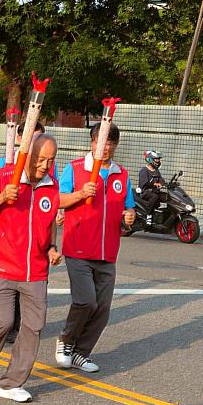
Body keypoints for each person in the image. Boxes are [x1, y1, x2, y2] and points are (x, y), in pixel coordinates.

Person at [0, 134, 62, 403]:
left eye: (51, 160)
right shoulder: (2, 176)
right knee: (3, 322)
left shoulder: (51, 186)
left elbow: (49, 222)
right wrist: (1, 197)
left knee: (33, 326)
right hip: (1, 267)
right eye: (41, 159)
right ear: (27, 156)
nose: (46, 165)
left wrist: (52, 248)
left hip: (35, 270)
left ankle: (11, 384)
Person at [55, 123, 135, 372]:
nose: (106, 147)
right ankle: (65, 341)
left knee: (102, 308)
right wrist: (80, 194)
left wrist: (129, 215)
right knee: (85, 301)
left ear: (115, 145)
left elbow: (128, 206)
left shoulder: (121, 174)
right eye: (101, 142)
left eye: (111, 143)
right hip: (78, 248)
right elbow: (58, 199)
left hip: (107, 251)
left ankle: (81, 353)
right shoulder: (76, 168)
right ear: (92, 142)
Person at [0, 121, 52, 344]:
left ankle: (23, 325)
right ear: (20, 139)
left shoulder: (48, 169)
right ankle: (8, 324)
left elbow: (51, 197)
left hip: (36, 236)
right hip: (10, 237)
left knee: (32, 282)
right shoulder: (5, 166)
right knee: (13, 285)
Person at [138, 149, 165, 225]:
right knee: (155, 196)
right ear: (149, 159)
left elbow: (160, 179)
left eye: (158, 159)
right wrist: (155, 184)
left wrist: (164, 184)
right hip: (145, 192)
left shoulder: (156, 170)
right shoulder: (144, 170)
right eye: (156, 159)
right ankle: (148, 215)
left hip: (154, 191)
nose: (158, 161)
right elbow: (144, 183)